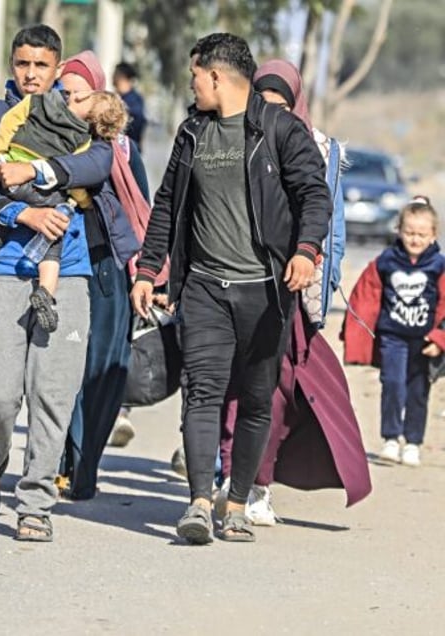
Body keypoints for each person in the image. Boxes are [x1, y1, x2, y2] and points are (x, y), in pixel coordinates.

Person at [130, 33, 332, 543]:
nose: (191, 85)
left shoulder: (280, 130)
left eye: (195, 75)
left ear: (216, 75)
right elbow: (167, 204)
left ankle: (236, 502)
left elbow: (314, 195)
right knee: (203, 392)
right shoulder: (191, 132)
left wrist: (305, 251)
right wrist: (148, 270)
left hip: (264, 291)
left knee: (257, 398)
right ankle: (199, 502)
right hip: (203, 290)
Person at [0, 25, 135, 541]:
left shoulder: (76, 113)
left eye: (41, 65)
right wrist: (19, 213)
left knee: (53, 393)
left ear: (58, 69)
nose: (31, 74)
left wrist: (35, 171)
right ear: (12, 65)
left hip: (68, 272)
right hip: (4, 269)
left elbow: (97, 163)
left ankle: (35, 502)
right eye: (22, 64)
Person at [217, 58, 355, 524]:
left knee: (273, 395)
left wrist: (320, 282)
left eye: (281, 104)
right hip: (233, 282)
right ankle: (225, 477)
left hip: (291, 294)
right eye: (264, 102)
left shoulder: (320, 150)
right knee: (226, 387)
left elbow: (331, 227)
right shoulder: (227, 139)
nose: (272, 113)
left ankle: (257, 486)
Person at [55, 50, 148, 500]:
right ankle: (60, 460)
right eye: (64, 94)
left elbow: (145, 215)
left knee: (103, 373)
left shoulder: (124, 150)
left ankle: (86, 463)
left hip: (110, 272)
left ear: (98, 96)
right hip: (59, 267)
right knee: (62, 369)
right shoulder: (46, 143)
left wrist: (149, 277)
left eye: (78, 95)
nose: (70, 103)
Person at [0, 89, 128, 333]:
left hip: (12, 177)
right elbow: (77, 178)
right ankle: (46, 293)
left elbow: (10, 122)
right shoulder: (83, 138)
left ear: (80, 96)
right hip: (46, 192)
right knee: (53, 241)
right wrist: (82, 202)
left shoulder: (36, 102)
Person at [343, 196, 445, 467]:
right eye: (409, 232)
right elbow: (366, 295)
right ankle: (390, 438)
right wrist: (360, 332)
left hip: (424, 341)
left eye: (421, 234)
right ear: (399, 230)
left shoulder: (439, 265)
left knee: (418, 392)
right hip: (393, 337)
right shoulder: (386, 261)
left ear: (433, 235)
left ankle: (412, 442)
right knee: (392, 384)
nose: (415, 239)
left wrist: (439, 339)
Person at [113, 62, 147, 152]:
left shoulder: (135, 101)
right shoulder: (117, 98)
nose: (112, 77)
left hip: (129, 151)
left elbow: (137, 124)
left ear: (122, 76)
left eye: (115, 74)